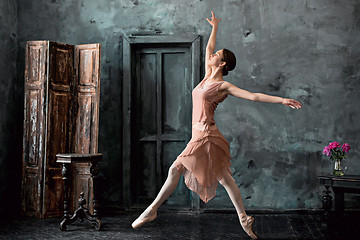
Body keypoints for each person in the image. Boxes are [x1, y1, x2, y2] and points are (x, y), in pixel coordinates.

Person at [131, 11, 302, 239]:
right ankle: (244, 218)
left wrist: (281, 99)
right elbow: (208, 49)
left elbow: (252, 96)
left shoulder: (222, 86)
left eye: (216, 55)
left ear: (222, 63)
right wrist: (215, 28)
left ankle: (151, 210)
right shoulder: (206, 77)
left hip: (206, 136)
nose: (211, 55)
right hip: (200, 136)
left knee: (175, 169)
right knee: (224, 178)